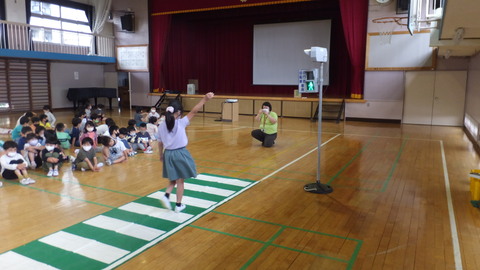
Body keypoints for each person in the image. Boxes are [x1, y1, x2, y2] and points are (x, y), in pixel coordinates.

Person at [157, 92, 214, 213]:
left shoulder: (161, 125)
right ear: (178, 113)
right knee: (180, 181)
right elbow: (194, 111)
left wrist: (161, 155)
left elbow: (160, 143)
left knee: (174, 177)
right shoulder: (181, 123)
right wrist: (204, 99)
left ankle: (166, 195)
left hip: (168, 153)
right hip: (180, 153)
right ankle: (178, 205)